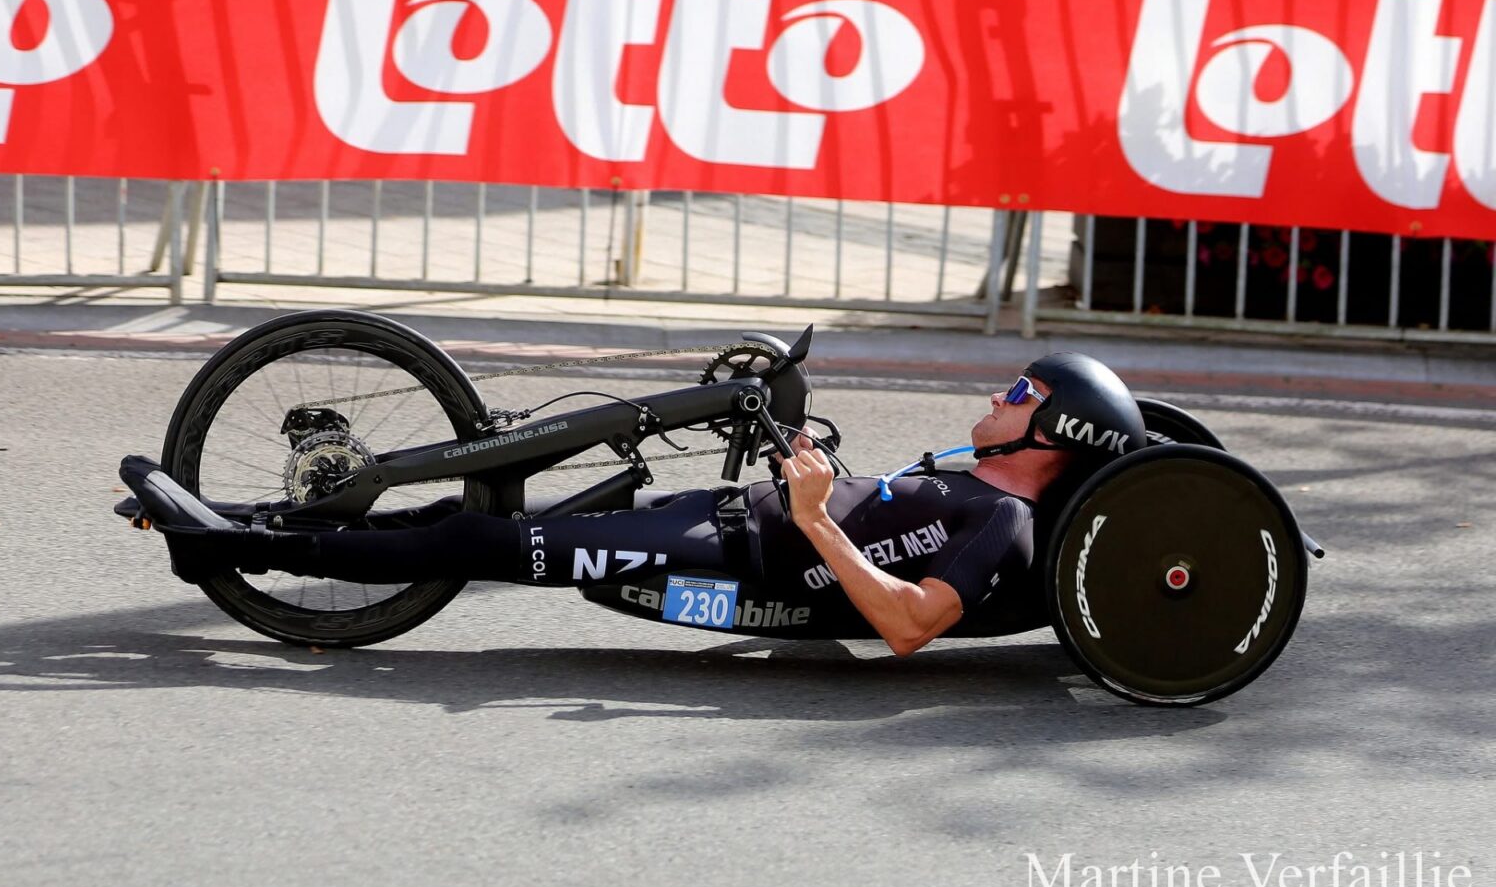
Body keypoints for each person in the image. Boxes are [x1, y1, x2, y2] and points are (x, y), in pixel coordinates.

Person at [120, 352, 1145, 656]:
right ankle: (251, 527)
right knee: (465, 529)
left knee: (475, 538)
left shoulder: (1001, 523)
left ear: (1056, 436)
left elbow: (911, 626)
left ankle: (234, 550)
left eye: (1023, 395)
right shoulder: (974, 478)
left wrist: (821, 516)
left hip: (725, 556)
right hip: (737, 514)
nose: (1000, 395)